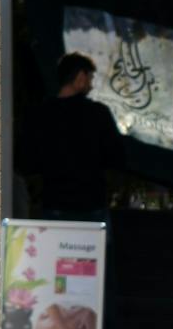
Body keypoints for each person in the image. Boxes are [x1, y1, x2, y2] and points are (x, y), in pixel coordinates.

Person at [28, 52, 121, 220]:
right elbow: (116, 158)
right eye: (90, 78)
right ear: (80, 77)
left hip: (54, 203)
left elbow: (29, 160)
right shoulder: (98, 114)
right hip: (91, 206)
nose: (91, 85)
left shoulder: (41, 114)